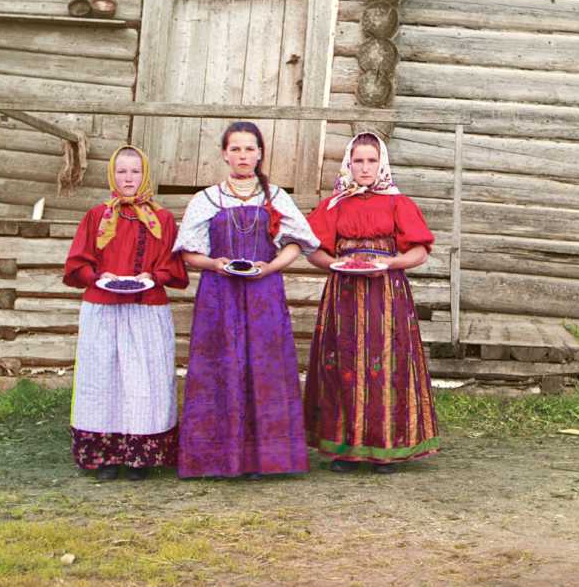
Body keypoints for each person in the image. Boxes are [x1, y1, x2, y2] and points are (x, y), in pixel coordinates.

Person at [174, 121, 320, 479]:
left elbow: (297, 243)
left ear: (260, 153)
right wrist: (215, 264)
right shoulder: (206, 199)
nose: (243, 155)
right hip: (218, 296)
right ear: (225, 154)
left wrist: (269, 268)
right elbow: (189, 253)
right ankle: (217, 459)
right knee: (220, 367)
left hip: (263, 295)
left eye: (249, 148)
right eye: (235, 149)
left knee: (265, 368)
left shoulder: (276, 198)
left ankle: (265, 460)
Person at [304, 132, 439, 474]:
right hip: (344, 293)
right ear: (348, 163)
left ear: (382, 163)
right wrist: (334, 264)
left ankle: (386, 447)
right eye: (358, 161)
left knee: (386, 364)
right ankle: (344, 448)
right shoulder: (335, 204)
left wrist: (390, 263)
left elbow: (419, 251)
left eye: (371, 160)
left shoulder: (398, 203)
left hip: (386, 294)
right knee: (343, 362)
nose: (365, 168)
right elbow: (314, 250)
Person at [63, 145, 188, 481]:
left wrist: (153, 276)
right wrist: (98, 276)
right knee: (102, 379)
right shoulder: (96, 216)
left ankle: (140, 456)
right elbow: (78, 261)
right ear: (112, 175)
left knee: (143, 379)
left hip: (146, 311)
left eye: (135, 171)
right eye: (122, 171)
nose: (128, 178)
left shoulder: (161, 219)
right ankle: (104, 456)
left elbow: (172, 266)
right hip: (103, 309)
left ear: (145, 174)